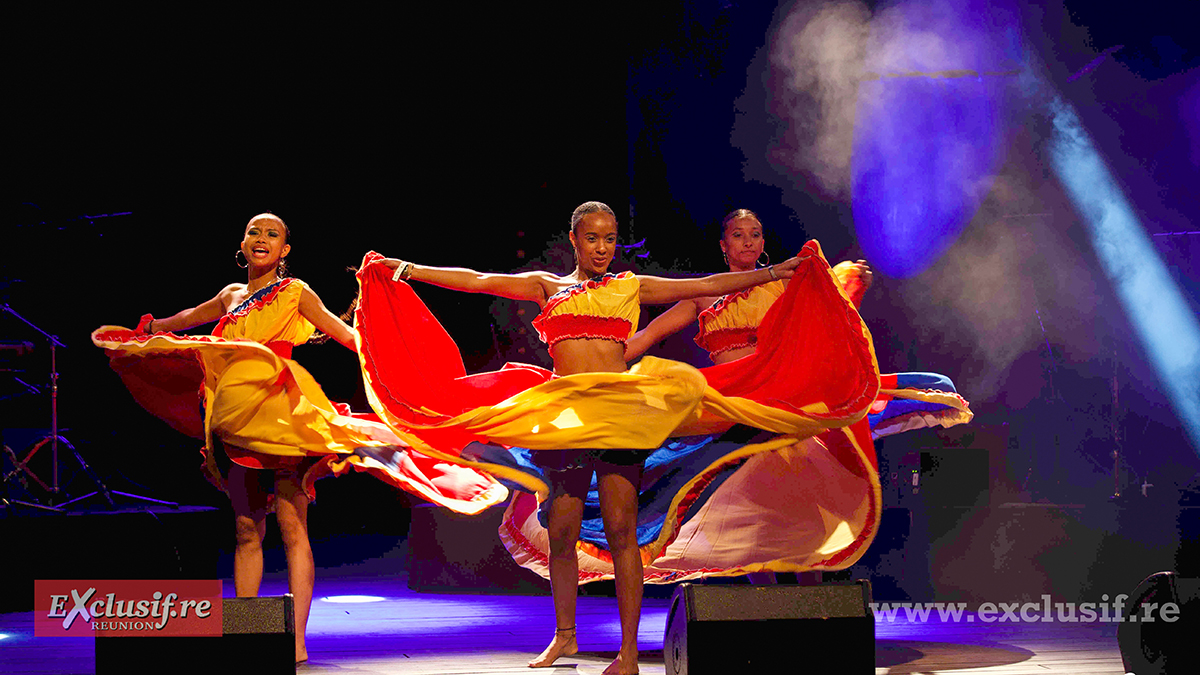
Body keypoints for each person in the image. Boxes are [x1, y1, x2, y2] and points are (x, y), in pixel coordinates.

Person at [354, 201, 878, 675]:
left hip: (622, 415)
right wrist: (404, 269)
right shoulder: (546, 286)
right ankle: (564, 636)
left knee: (624, 531)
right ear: (576, 241)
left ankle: (628, 651)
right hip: (565, 415)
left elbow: (709, 286)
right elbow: (476, 279)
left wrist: (781, 270)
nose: (602, 248)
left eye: (610, 239)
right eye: (593, 239)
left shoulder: (632, 285)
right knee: (561, 529)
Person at [93, 213, 507, 663]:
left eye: (273, 234)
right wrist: (143, 334)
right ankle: (248, 636)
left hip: (282, 419)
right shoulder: (230, 295)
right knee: (246, 530)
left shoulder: (295, 292)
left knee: (293, 528)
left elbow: (343, 333)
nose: (262, 239)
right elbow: (185, 320)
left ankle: (295, 643)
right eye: (254, 231)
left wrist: (391, 359)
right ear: (242, 242)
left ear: (285, 250)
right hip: (235, 424)